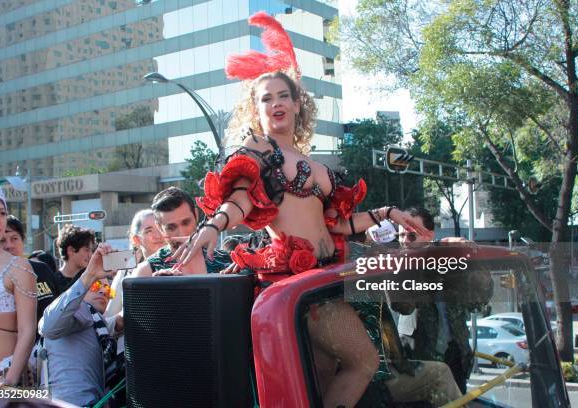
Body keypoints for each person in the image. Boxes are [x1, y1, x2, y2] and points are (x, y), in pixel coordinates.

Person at [171, 12, 429, 407]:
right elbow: (241, 198)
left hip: (326, 280)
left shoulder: (321, 167)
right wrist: (213, 226)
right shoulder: (259, 150)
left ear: (297, 104)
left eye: (282, 96)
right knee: (363, 361)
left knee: (318, 382)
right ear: (255, 110)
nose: (275, 103)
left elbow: (339, 225)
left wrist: (389, 213)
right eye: (265, 98)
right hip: (298, 284)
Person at [395, 207, 487, 393]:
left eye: (412, 236)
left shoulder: (450, 262)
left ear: (428, 236)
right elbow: (403, 306)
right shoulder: (399, 265)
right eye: (401, 235)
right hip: (418, 356)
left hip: (455, 354)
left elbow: (479, 302)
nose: (405, 242)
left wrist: (471, 260)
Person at [38, 243, 121, 406]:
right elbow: (48, 326)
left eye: (108, 289)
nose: (104, 291)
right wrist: (88, 276)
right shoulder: (80, 309)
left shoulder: (98, 324)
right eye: (97, 285)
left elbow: (119, 321)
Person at [0, 170, 37, 387]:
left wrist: (9, 381)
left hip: (2, 380)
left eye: (2, 213)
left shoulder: (18, 267)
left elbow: (28, 331)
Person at [133, 187, 230, 278]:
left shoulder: (226, 261)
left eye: (186, 223)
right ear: (159, 227)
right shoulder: (146, 272)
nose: (182, 233)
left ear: (196, 215)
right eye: (171, 227)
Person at [1, 216, 59, 331]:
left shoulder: (42, 269)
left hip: (49, 345)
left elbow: (59, 305)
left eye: (14, 238)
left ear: (23, 241)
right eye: (2, 241)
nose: (9, 246)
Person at [104, 209, 164, 319]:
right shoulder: (125, 272)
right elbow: (109, 317)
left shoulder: (182, 262)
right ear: (136, 239)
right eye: (149, 231)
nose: (158, 235)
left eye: (160, 227)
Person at [55, 224, 96, 293]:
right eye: (87, 250)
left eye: (92, 250)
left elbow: (109, 295)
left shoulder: (92, 279)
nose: (91, 255)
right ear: (71, 250)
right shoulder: (53, 281)